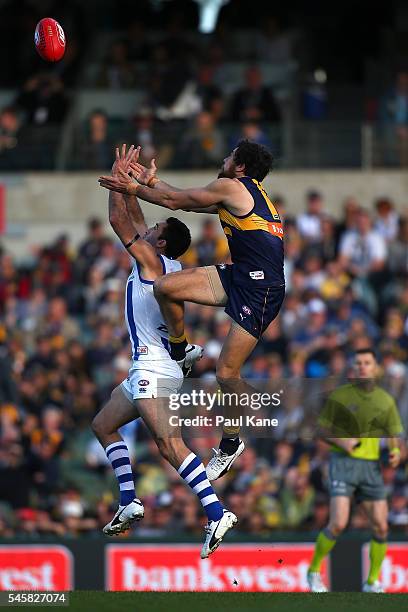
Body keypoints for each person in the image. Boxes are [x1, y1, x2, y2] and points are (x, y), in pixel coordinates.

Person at [98, 139, 285, 481]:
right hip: (241, 275)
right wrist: (149, 184)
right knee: (167, 287)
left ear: (239, 167)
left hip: (261, 288)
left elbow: (176, 201)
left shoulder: (233, 186)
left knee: (227, 374)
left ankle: (232, 441)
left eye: (230, 156)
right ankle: (180, 348)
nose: (224, 159)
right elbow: (185, 202)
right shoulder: (244, 193)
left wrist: (132, 187)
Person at [92, 145, 237, 557]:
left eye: (154, 228)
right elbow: (133, 216)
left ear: (161, 240)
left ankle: (216, 512)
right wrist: (131, 184)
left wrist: (118, 177)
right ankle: (128, 501)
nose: (147, 228)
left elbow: (119, 219)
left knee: (170, 445)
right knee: (103, 425)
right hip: (152, 367)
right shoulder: (163, 265)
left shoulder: (152, 263)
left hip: (153, 369)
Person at [307, 348, 403, 593]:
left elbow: (392, 433)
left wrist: (394, 452)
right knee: (338, 523)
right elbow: (321, 431)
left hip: (371, 466)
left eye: (367, 363)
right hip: (343, 463)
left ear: (375, 368)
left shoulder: (385, 400)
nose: (362, 367)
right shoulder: (340, 397)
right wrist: (343, 442)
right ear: (353, 368)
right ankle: (314, 572)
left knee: (381, 526)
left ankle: (372, 581)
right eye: (358, 363)